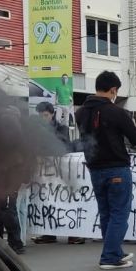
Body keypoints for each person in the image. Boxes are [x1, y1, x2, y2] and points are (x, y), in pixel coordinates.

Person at [76, 71, 136, 269]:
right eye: (116, 92)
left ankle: (114, 250)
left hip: (94, 169)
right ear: (113, 90)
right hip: (116, 167)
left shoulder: (80, 112)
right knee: (119, 213)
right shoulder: (116, 112)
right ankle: (110, 256)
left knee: (106, 213)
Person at [32, 102, 84, 244]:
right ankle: (49, 233)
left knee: (66, 201)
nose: (43, 118)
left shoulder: (62, 128)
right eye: (40, 116)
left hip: (62, 170)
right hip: (45, 171)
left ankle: (73, 233)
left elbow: (64, 145)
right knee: (48, 201)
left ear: (52, 114)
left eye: (46, 115)